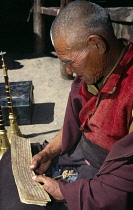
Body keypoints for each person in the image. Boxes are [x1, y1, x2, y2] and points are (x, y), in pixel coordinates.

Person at [0, 1, 133, 210]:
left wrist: (64, 192)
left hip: (103, 178)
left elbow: (123, 184)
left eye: (70, 61)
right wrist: (50, 152)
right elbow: (75, 125)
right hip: (76, 155)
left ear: (97, 44)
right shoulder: (91, 73)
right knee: (10, 164)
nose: (69, 71)